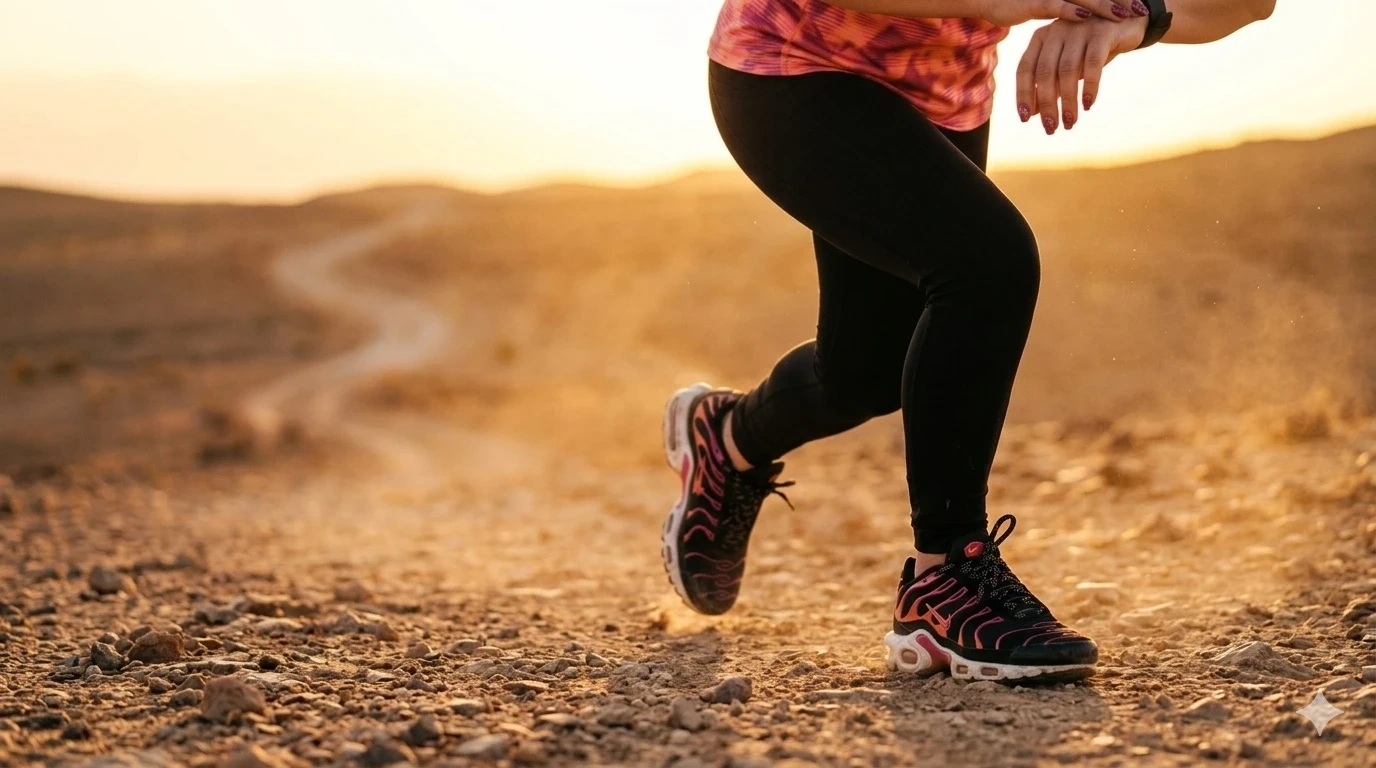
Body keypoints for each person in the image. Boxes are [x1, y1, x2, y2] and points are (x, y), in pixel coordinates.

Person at [660, 0, 1275, 682]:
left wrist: (1137, 21)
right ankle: (945, 578)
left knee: (866, 373)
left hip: (942, 93)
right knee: (987, 261)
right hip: (795, 66)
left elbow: (1250, 3)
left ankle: (729, 438)